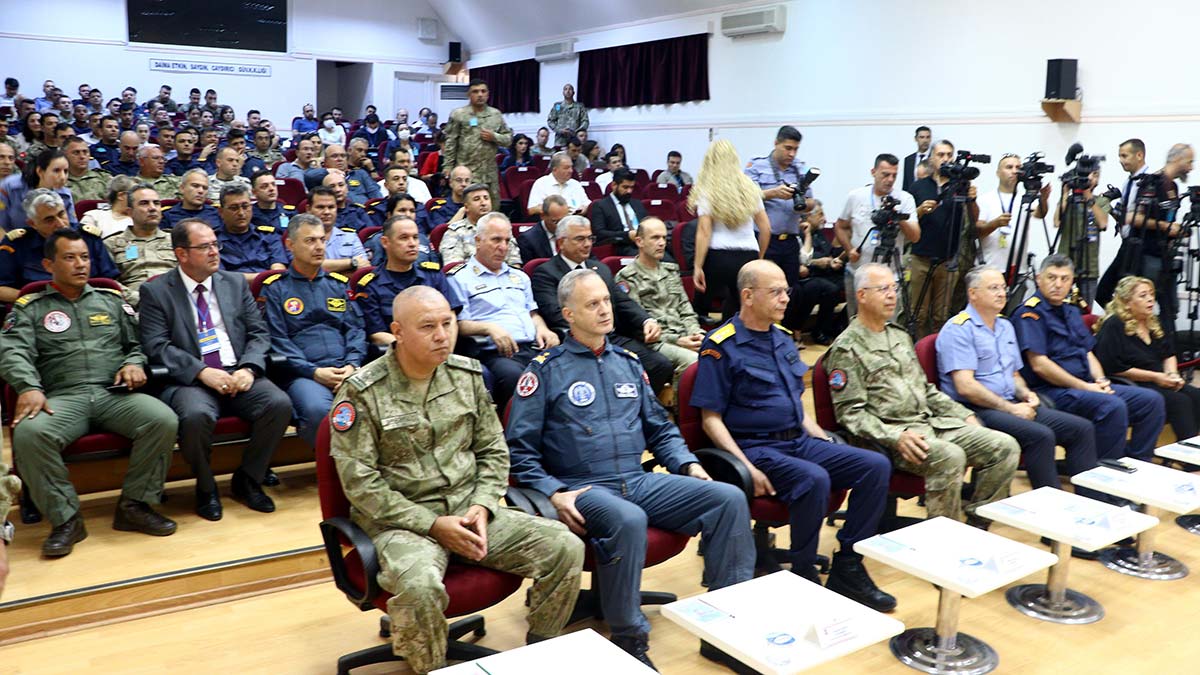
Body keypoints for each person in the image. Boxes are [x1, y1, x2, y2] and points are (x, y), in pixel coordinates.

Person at [330, 285, 583, 675]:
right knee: (420, 587)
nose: (441, 335)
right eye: (427, 326)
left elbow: (493, 452)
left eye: (447, 323)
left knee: (565, 547)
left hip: (470, 512)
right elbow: (361, 484)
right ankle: (430, 668)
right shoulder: (362, 392)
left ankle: (540, 650)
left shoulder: (467, 375)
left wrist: (482, 505)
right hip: (402, 524)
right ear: (398, 331)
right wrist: (433, 524)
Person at [508, 268, 752, 666]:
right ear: (568, 314)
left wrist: (688, 465)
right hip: (582, 488)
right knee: (629, 519)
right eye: (592, 304)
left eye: (606, 300)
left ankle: (724, 630)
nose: (605, 310)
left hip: (636, 480)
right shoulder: (545, 370)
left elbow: (660, 429)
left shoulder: (628, 361)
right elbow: (519, 451)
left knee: (727, 499)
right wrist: (554, 492)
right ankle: (629, 638)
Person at [693, 260, 894, 609]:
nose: (786, 298)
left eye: (786, 291)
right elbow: (710, 419)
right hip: (754, 447)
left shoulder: (782, 338)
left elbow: (796, 407)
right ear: (748, 296)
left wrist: (823, 440)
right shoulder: (721, 345)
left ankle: (848, 563)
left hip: (797, 441)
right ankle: (802, 572)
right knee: (814, 479)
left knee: (874, 466)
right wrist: (747, 468)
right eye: (775, 292)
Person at [0, 229, 178, 557]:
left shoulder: (110, 300)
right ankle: (66, 520)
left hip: (113, 394)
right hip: (62, 396)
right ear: (48, 265)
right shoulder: (31, 307)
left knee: (162, 420)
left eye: (84, 257)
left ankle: (135, 505)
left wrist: (134, 363)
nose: (81, 264)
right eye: (69, 258)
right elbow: (12, 351)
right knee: (29, 434)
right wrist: (29, 387)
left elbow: (136, 344)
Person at [825, 263, 1019, 524]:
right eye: (883, 289)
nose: (892, 295)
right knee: (951, 457)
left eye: (894, 288)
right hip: (892, 438)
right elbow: (851, 414)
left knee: (1005, 447)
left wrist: (963, 414)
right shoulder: (847, 348)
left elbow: (925, 390)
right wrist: (896, 437)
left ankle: (977, 525)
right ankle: (942, 535)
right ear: (862, 295)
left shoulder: (898, 335)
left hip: (931, 424)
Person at [138, 219, 293, 521]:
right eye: (205, 246)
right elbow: (157, 346)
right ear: (182, 254)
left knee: (278, 404)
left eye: (215, 244)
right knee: (195, 415)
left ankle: (248, 479)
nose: (214, 252)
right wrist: (201, 372)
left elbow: (259, 333)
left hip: (237, 369)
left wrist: (249, 368)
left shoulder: (234, 283)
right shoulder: (156, 291)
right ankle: (206, 487)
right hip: (191, 379)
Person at [935, 266, 1105, 506]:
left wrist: (1026, 394)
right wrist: (1011, 408)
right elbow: (966, 387)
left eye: (1003, 288)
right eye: (993, 288)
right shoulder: (959, 329)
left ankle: (1094, 504)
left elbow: (1014, 374)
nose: (1001, 293)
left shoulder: (1004, 326)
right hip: (975, 409)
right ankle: (1054, 511)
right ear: (973, 294)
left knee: (1081, 429)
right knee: (1040, 436)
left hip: (1010, 402)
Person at [1011, 255, 1165, 462]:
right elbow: (1040, 365)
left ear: (1072, 281)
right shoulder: (1030, 314)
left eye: (1064, 279)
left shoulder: (1071, 311)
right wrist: (1085, 386)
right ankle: (1103, 472)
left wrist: (1101, 380)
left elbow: (1087, 352)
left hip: (1085, 386)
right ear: (1039, 279)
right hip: (1052, 390)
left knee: (1151, 401)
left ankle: (1137, 463)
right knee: (1113, 406)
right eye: (1052, 278)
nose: (1058, 284)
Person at [530, 216, 675, 395]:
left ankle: (635, 405)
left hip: (611, 337)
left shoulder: (600, 269)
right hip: (579, 340)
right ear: (561, 242)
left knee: (660, 365)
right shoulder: (546, 273)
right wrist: (593, 324)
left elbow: (622, 301)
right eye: (580, 239)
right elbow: (555, 313)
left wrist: (646, 321)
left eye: (590, 238)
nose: (587, 244)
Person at [262, 218, 366, 447]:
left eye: (322, 240)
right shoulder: (276, 288)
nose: (319, 247)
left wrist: (351, 365)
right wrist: (314, 372)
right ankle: (334, 467)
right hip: (303, 373)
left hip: (345, 368)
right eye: (310, 241)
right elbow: (277, 340)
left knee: (375, 402)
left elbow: (355, 330)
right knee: (318, 410)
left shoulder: (337, 284)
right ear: (290, 245)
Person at [450, 215, 559, 405]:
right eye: (496, 240)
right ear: (478, 241)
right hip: (497, 354)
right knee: (519, 380)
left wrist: (543, 329)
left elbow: (532, 313)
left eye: (507, 241)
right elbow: (459, 324)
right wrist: (489, 328)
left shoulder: (520, 277)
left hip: (533, 348)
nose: (503, 247)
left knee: (566, 369)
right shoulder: (460, 278)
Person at [1095, 275, 1200, 441]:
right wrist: (1156, 377)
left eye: (1151, 294)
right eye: (1143, 296)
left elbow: (1169, 354)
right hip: (1133, 382)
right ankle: (1188, 453)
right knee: (1180, 401)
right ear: (1127, 302)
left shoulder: (1152, 322)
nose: (1150, 299)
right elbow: (1112, 367)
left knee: (1196, 395)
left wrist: (1172, 375)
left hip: (1159, 379)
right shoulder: (1114, 324)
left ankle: (1195, 446)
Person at [615, 218, 704, 379]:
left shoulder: (671, 271)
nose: (662, 243)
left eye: (664, 237)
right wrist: (678, 340)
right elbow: (636, 327)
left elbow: (685, 309)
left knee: (719, 352)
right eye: (655, 238)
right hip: (656, 343)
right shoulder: (627, 277)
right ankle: (679, 397)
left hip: (684, 335)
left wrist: (696, 333)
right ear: (639, 241)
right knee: (693, 361)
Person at [691, 139, 771, 319]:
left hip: (717, 257)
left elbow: (704, 231)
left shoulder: (708, 189)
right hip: (747, 255)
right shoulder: (750, 188)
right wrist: (759, 257)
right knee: (741, 312)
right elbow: (766, 228)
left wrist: (697, 266)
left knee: (699, 309)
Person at [908, 139, 979, 338]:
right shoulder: (918, 187)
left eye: (949, 155)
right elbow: (907, 221)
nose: (945, 159)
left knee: (942, 316)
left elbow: (974, 219)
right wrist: (920, 211)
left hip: (948, 261)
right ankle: (918, 351)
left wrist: (972, 199)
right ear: (931, 159)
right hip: (921, 258)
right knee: (918, 314)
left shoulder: (960, 186)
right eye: (940, 155)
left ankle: (939, 351)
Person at [834, 153, 919, 316]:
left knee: (888, 323)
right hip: (858, 273)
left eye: (894, 175)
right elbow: (840, 226)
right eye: (885, 174)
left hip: (890, 277)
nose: (890, 180)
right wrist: (849, 249)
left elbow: (915, 236)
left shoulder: (905, 199)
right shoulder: (856, 196)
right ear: (873, 172)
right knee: (857, 321)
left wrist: (897, 216)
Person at [357, 216, 462, 346]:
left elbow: (451, 317)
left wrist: (446, 349)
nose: (412, 243)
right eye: (404, 238)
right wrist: (417, 349)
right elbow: (377, 334)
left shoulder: (433, 275)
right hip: (398, 353)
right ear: (385, 242)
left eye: (415, 237)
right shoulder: (371, 285)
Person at [0, 188, 114, 303]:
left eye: (61, 214)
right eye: (49, 220)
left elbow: (109, 281)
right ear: (33, 224)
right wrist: (39, 302)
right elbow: (2, 289)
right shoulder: (17, 244)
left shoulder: (89, 238)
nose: (60, 224)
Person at [745, 126, 816, 289]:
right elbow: (745, 198)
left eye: (796, 149)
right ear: (776, 143)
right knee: (764, 287)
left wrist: (802, 204)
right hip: (764, 239)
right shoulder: (757, 166)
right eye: (788, 148)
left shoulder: (800, 169)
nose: (792, 154)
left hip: (790, 241)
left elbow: (812, 202)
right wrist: (772, 193)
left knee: (790, 289)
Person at [1097, 139, 1151, 307]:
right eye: (1120, 156)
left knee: (1131, 296)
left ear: (1139, 155)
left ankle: (1125, 320)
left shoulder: (1149, 182)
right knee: (1103, 292)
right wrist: (1107, 207)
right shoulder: (1128, 182)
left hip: (1141, 247)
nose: (1121, 160)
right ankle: (1121, 319)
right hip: (1126, 244)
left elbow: (1142, 218)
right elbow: (1123, 218)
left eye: (1125, 156)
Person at [103, 184, 177, 306]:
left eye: (156, 203)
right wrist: (136, 299)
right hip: (132, 305)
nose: (152, 208)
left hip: (174, 302)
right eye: (144, 203)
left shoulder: (176, 240)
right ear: (130, 212)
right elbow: (108, 281)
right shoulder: (111, 243)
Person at [975, 153, 1050, 273]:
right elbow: (977, 231)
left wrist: (1044, 199)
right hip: (990, 269)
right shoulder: (985, 199)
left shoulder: (1025, 198)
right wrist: (995, 224)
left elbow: (1040, 214)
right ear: (998, 173)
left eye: (1018, 167)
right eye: (1009, 167)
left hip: (1018, 269)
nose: (1014, 171)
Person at [443, 80, 512, 207]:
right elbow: (451, 142)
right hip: (466, 173)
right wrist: (448, 167)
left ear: (488, 94)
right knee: (467, 208)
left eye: (483, 91)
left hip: (489, 173)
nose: (480, 95)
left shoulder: (496, 114)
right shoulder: (458, 114)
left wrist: (494, 137)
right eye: (475, 92)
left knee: (492, 209)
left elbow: (508, 139)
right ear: (469, 94)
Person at [1052, 167, 1111, 311]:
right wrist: (1065, 193)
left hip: (1089, 266)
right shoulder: (1069, 201)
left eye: (1095, 175)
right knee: (1059, 308)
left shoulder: (1101, 201)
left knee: (1085, 311)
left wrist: (1088, 196)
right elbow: (1057, 222)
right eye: (1088, 175)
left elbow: (1103, 223)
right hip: (1065, 262)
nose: (1090, 178)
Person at [791, 201, 844, 343]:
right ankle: (819, 330)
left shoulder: (819, 233)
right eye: (820, 214)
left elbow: (829, 253)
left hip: (824, 273)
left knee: (852, 282)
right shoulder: (798, 233)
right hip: (807, 276)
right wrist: (816, 262)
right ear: (808, 216)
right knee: (828, 289)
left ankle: (838, 325)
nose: (824, 219)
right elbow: (800, 260)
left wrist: (835, 259)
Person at [214, 183, 289, 278]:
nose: (241, 213)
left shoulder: (269, 235)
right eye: (234, 208)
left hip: (268, 286)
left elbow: (278, 269)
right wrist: (261, 278)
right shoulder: (212, 241)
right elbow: (221, 277)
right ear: (221, 212)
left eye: (245, 206)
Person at [439, 185, 520, 267]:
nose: (483, 203)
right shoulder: (455, 232)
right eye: (477, 199)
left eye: (486, 198)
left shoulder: (502, 228)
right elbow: (453, 268)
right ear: (466, 207)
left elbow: (515, 264)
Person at [1, 148, 79, 232]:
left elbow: (72, 227)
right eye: (56, 171)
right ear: (40, 171)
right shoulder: (10, 187)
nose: (63, 177)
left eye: (66, 171)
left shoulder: (65, 195)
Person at [304, 188, 368, 274]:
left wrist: (329, 267)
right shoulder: (300, 239)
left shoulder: (351, 237)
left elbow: (364, 267)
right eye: (320, 207)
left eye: (331, 207)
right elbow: (308, 267)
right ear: (308, 209)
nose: (326, 212)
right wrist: (352, 263)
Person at [364, 192, 438, 266]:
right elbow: (373, 269)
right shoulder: (377, 241)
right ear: (389, 215)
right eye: (402, 210)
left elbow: (436, 266)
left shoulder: (423, 239)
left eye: (412, 211)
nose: (408, 215)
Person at [590, 168, 646, 256]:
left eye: (632, 187)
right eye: (625, 187)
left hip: (644, 243)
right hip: (621, 245)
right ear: (614, 185)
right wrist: (627, 235)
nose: (629, 191)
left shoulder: (637, 204)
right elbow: (599, 233)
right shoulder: (600, 206)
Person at [527, 152, 589, 216]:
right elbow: (532, 209)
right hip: (552, 219)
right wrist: (557, 209)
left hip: (575, 218)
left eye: (571, 167)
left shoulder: (575, 184)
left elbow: (587, 204)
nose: (571, 171)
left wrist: (584, 209)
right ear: (555, 169)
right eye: (566, 168)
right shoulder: (541, 183)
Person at [517, 194, 568, 264]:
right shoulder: (528, 240)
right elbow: (530, 268)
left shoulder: (572, 233)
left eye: (564, 220)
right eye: (555, 221)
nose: (561, 225)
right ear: (543, 216)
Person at [64, 134, 115, 202]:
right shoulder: (60, 181)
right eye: (76, 153)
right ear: (65, 155)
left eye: (85, 152)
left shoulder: (104, 177)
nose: (82, 156)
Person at [902, 126, 932, 193]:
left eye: (928, 137)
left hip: (929, 195)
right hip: (912, 196)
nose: (925, 140)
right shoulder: (908, 160)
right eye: (922, 137)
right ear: (916, 139)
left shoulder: (934, 159)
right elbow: (906, 184)